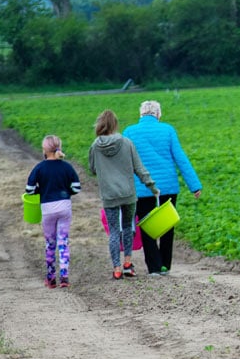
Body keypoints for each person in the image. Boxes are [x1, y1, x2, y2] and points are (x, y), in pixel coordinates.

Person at [125, 99, 202, 276]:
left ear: (141, 114)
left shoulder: (130, 132)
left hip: (143, 188)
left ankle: (154, 267)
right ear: (158, 114)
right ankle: (165, 265)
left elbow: (125, 161)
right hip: (168, 187)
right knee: (167, 225)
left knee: (147, 226)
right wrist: (194, 185)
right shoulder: (168, 130)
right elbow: (180, 158)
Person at [88, 108, 158, 279]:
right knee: (128, 228)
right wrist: (152, 187)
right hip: (128, 194)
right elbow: (139, 168)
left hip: (109, 195)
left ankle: (117, 269)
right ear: (115, 124)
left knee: (113, 232)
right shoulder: (127, 143)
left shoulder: (95, 146)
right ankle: (128, 264)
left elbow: (92, 169)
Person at [25, 135, 81, 288]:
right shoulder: (66, 167)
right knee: (63, 241)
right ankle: (64, 277)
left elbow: (29, 190)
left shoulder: (39, 168)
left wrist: (41, 190)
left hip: (47, 209)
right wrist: (66, 192)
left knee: (50, 243)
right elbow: (77, 187)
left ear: (44, 149)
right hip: (64, 206)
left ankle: (50, 278)